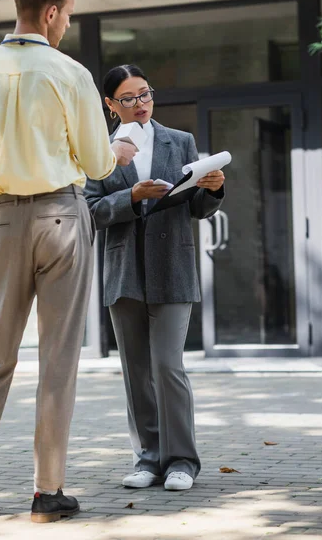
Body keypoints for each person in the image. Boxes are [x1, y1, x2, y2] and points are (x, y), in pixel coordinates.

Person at [0, 0, 136, 524]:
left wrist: (4, 172)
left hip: (2, 221)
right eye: (68, 13)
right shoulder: (69, 72)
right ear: (51, 11)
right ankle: (46, 493)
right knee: (56, 359)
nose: (67, 23)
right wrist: (109, 154)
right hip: (61, 218)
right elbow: (100, 161)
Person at [85, 64, 225, 491]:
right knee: (136, 370)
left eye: (145, 94)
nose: (140, 104)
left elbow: (196, 208)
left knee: (167, 366)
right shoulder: (98, 151)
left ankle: (181, 460)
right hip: (124, 270)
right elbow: (90, 211)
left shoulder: (181, 141)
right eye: (128, 99)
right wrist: (130, 195)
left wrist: (213, 189)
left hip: (173, 267)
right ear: (110, 105)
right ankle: (148, 458)